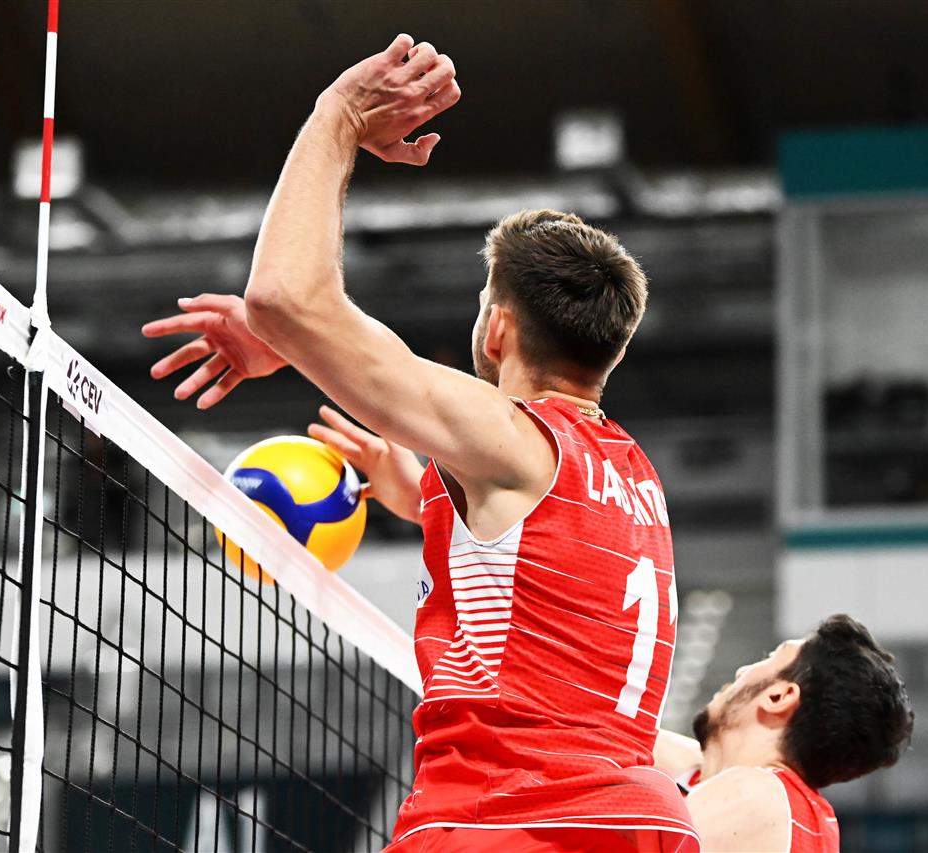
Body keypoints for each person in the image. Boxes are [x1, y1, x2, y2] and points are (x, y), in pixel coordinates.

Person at [142, 34, 696, 853]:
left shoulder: (512, 437)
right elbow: (533, 574)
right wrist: (414, 490)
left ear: (497, 329)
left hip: (509, 823)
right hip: (628, 823)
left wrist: (338, 116)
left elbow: (285, 294)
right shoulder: (627, 472)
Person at [653, 614, 914, 853]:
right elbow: (658, 748)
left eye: (769, 658)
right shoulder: (799, 815)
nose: (741, 671)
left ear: (779, 697)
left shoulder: (755, 794)